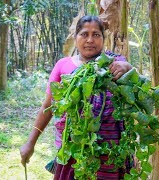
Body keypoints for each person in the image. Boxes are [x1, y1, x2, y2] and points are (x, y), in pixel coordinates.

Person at [20, 15, 133, 179]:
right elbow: (48, 106)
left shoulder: (114, 63)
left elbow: (134, 79)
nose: (90, 40)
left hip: (110, 154)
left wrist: (127, 66)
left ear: (103, 38)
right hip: (73, 151)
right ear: (75, 37)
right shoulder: (63, 66)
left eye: (96, 34)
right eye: (84, 34)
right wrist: (30, 143)